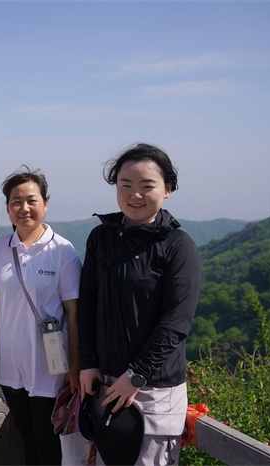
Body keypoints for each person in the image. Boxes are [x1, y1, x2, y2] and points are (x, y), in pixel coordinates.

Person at [78, 143, 201, 465]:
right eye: (126, 185)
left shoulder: (178, 246)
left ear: (168, 189)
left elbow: (176, 323)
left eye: (147, 186)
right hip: (107, 383)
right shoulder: (101, 238)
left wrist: (136, 375)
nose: (135, 194)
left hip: (154, 390)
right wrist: (88, 362)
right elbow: (88, 302)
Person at [0, 166, 82, 465]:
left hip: (50, 366)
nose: (23, 208)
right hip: (11, 366)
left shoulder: (62, 250)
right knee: (27, 440)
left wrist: (75, 365)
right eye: (16, 201)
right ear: (7, 208)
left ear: (45, 204)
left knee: (48, 445)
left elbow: (74, 312)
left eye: (31, 200)